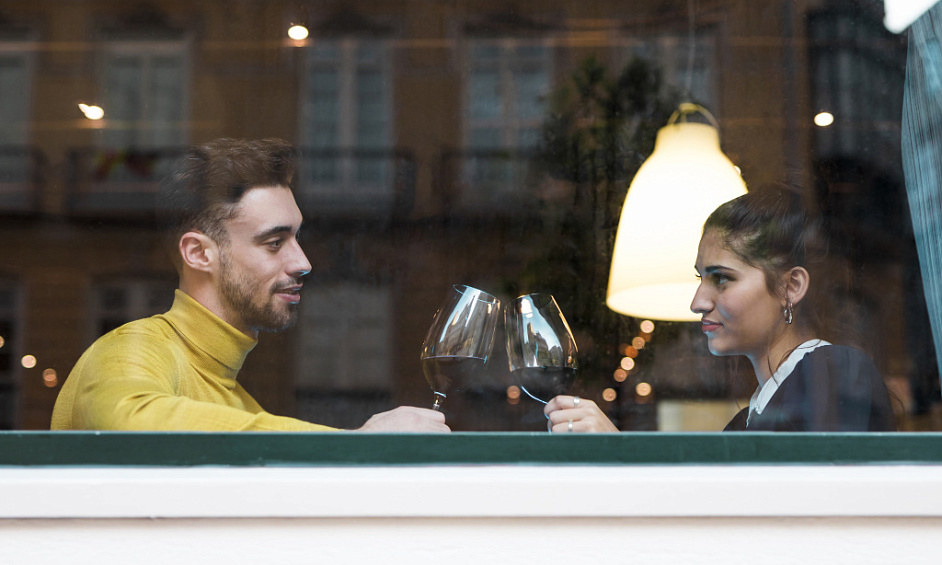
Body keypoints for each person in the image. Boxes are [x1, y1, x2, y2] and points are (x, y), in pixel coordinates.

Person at [51, 138, 449, 433]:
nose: (303, 262)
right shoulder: (134, 346)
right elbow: (126, 419)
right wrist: (355, 443)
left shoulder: (236, 402)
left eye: (297, 239)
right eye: (274, 243)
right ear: (199, 254)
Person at [545, 184, 896, 432]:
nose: (697, 302)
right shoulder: (749, 419)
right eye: (700, 278)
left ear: (792, 286)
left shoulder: (835, 372)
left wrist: (617, 454)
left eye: (722, 279)